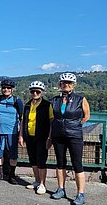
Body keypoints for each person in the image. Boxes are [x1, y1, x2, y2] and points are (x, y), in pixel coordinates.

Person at [50, 73, 90, 205]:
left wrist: (76, 125)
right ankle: (61, 189)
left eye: (69, 83)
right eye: (63, 83)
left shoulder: (80, 99)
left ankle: (80, 193)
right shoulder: (54, 100)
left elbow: (86, 116)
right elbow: (51, 118)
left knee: (77, 164)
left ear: (73, 85)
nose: (66, 85)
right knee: (60, 163)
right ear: (60, 84)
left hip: (74, 135)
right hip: (58, 135)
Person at [18, 81, 53, 195]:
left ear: (41, 92)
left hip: (42, 137)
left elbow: (52, 122)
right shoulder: (27, 105)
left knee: (41, 160)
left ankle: (42, 184)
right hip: (29, 136)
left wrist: (49, 138)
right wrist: (21, 136)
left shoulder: (47, 105)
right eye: (33, 91)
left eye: (38, 91)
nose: (35, 93)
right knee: (33, 160)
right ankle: (37, 181)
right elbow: (23, 121)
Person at [0, 78, 23, 184]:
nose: (6, 89)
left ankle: (12, 174)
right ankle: (0, 173)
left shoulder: (17, 101)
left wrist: (21, 133)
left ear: (12, 89)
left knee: (13, 155)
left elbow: (22, 117)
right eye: (4, 88)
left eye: (8, 88)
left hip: (12, 132)